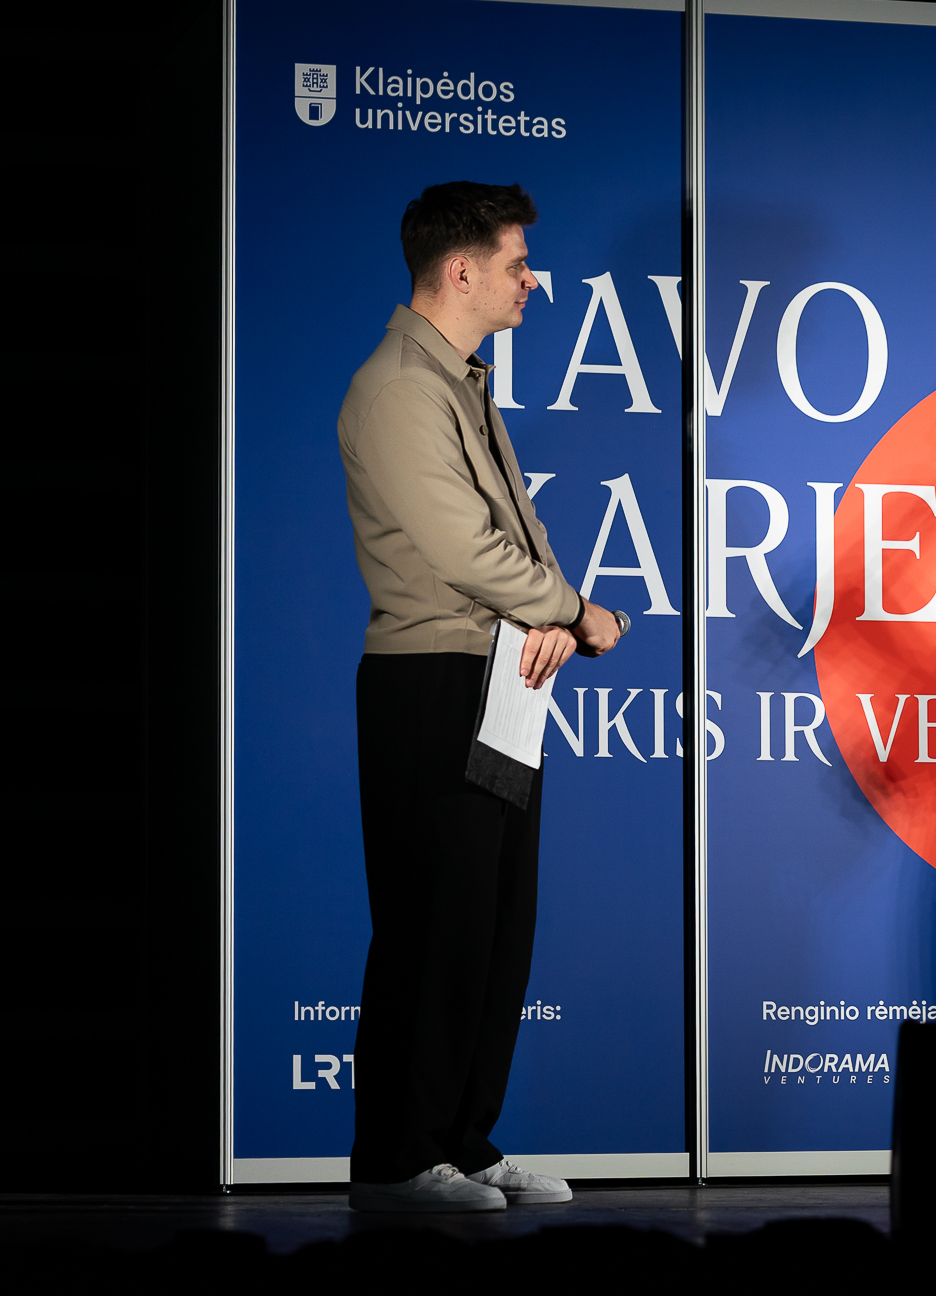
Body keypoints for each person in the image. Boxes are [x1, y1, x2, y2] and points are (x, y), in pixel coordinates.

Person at [338, 181, 624, 1212]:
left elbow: (515, 534)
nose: (531, 281)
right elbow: (462, 548)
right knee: (431, 919)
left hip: (499, 674)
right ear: (460, 271)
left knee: (494, 922)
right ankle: (398, 1158)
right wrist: (573, 610)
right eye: (517, 263)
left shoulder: (459, 381)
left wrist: (546, 619)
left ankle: (462, 1140)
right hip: (432, 680)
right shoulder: (397, 390)